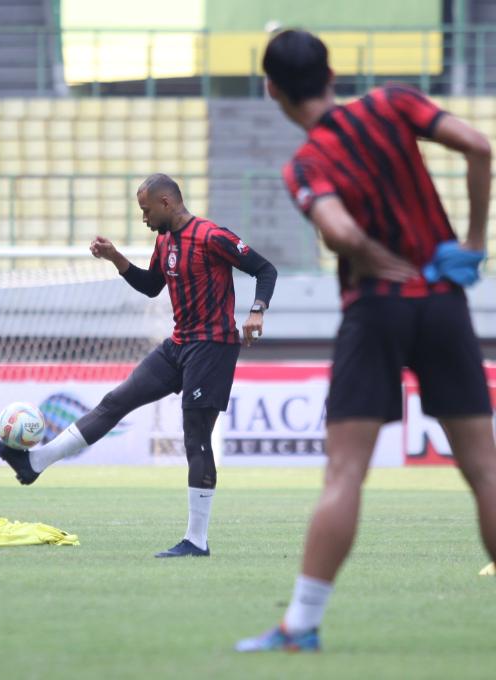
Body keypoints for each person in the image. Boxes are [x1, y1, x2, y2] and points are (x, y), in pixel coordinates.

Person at [236, 29, 496, 653]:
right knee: (484, 469)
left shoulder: (305, 163)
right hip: (441, 303)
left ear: (272, 90)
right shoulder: (394, 103)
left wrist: (374, 256)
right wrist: (474, 243)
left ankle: (300, 624)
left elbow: (337, 227)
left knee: (345, 473)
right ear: (332, 73)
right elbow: (480, 146)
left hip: (376, 310)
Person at [0, 174, 278, 558]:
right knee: (115, 401)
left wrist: (257, 311)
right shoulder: (165, 240)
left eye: (145, 209)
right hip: (179, 345)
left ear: (165, 202)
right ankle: (35, 463)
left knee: (195, 438)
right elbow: (151, 286)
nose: (143, 218)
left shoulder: (211, 236)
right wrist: (115, 258)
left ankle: (196, 541)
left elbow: (265, 269)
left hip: (212, 347)